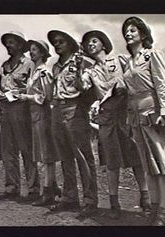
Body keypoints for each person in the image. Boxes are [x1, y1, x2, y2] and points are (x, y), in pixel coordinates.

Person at [78, 30, 150, 219]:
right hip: (106, 117)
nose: (91, 45)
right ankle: (114, 204)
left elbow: (134, 76)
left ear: (103, 43)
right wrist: (78, 67)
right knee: (111, 162)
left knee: (136, 158)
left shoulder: (119, 60)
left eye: (94, 41)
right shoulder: (89, 71)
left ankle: (146, 199)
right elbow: (82, 86)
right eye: (87, 43)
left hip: (125, 113)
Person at [121, 16, 165, 226]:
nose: (128, 33)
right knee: (148, 165)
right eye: (126, 30)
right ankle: (153, 207)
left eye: (133, 30)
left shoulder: (152, 56)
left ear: (143, 34)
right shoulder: (128, 62)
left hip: (153, 113)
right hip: (136, 116)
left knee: (163, 163)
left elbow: (162, 84)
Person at [47, 30, 98, 217]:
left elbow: (86, 89)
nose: (57, 45)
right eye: (55, 42)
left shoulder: (82, 63)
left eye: (61, 41)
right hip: (57, 110)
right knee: (65, 156)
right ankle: (70, 197)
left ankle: (90, 200)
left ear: (70, 43)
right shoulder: (55, 67)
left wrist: (78, 70)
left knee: (83, 156)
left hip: (75, 110)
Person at [0, 31, 40, 200]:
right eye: (7, 42)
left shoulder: (29, 64)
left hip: (22, 111)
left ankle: (34, 189)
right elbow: (0, 87)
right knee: (8, 151)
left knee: (27, 150)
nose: (8, 45)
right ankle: (11, 187)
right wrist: (1, 94)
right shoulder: (4, 65)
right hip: (6, 112)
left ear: (21, 45)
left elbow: (34, 88)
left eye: (12, 42)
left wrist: (15, 92)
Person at [18, 40, 60, 206]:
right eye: (30, 50)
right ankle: (52, 187)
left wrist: (25, 97)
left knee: (46, 156)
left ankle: (48, 192)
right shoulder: (34, 72)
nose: (31, 52)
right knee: (41, 154)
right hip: (34, 116)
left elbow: (46, 97)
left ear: (42, 53)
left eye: (34, 50)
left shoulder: (44, 72)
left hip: (43, 116)